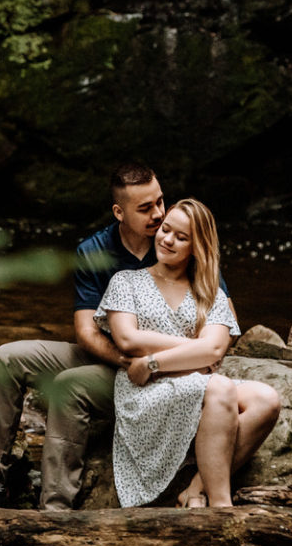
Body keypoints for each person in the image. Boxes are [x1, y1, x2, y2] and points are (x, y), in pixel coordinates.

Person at [0, 162, 179, 510]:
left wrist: (155, 362)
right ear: (119, 212)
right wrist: (129, 360)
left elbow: (215, 310)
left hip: (163, 366)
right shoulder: (93, 251)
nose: (159, 214)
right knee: (6, 357)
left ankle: (56, 507)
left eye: (160, 201)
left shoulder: (176, 242)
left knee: (69, 384)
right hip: (115, 356)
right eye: (145, 208)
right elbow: (86, 333)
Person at [94, 198, 281, 508]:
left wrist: (153, 361)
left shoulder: (209, 293)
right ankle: (222, 507)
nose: (167, 240)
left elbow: (216, 348)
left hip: (173, 378)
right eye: (166, 230)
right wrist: (199, 351)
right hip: (144, 394)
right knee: (220, 385)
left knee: (267, 399)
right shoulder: (127, 282)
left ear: (197, 247)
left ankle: (196, 489)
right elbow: (127, 339)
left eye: (181, 237)